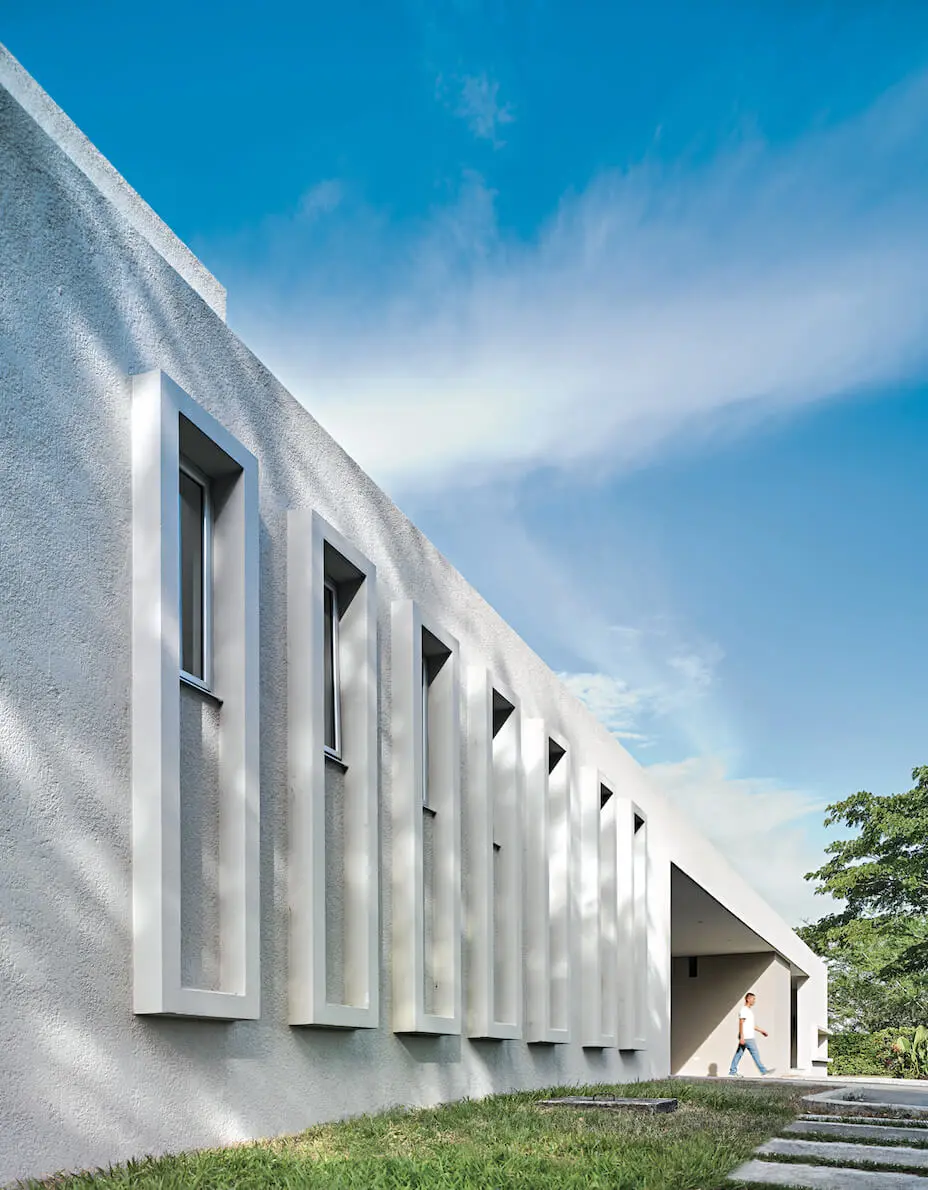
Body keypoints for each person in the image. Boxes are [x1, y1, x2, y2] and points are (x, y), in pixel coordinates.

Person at [728, 992, 775, 1077]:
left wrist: (761, 1031)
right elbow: (741, 1023)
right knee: (755, 1053)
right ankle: (763, 1071)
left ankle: (732, 1071)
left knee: (738, 1054)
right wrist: (742, 1037)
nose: (754, 1001)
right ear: (748, 999)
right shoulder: (744, 1010)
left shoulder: (749, 1011)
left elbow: (751, 1025)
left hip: (746, 1036)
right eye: (753, 999)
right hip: (747, 1037)